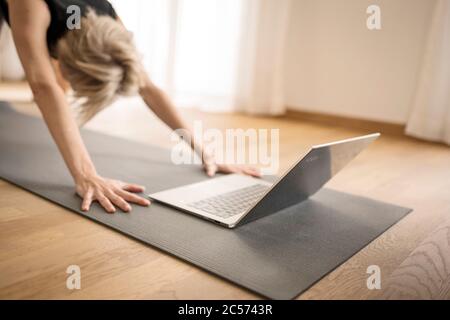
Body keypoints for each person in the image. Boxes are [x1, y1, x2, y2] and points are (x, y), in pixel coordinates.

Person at [0, 0, 260, 214]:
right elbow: (44, 86)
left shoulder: (107, 16)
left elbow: (146, 86)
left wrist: (205, 151)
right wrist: (86, 175)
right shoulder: (32, 5)